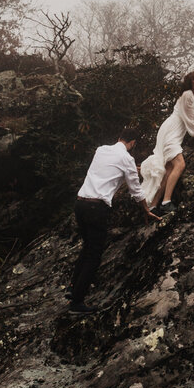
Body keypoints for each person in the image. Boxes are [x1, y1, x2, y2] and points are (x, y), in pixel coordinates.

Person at [68, 124, 160, 315]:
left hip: (80, 204)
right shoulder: (127, 158)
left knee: (86, 248)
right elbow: (136, 190)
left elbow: (110, 168)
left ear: (120, 137)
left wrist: (131, 168)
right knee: (94, 255)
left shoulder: (101, 150)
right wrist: (146, 210)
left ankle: (72, 290)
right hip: (96, 208)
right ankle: (77, 302)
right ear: (133, 143)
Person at [140, 69, 194, 215]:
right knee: (180, 164)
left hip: (175, 133)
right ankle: (166, 202)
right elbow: (188, 120)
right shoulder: (187, 95)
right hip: (171, 131)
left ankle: (153, 205)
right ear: (190, 82)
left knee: (169, 170)